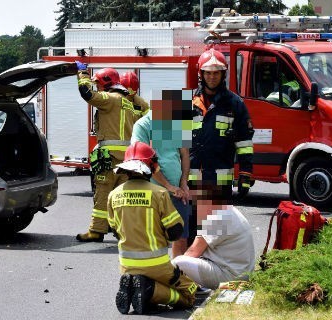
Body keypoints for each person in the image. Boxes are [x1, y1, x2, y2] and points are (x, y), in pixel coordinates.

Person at [109, 141, 197, 314]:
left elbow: (115, 232)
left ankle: (140, 288)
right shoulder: (159, 194)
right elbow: (175, 232)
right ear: (151, 166)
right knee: (190, 293)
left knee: (148, 283)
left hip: (126, 265)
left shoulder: (114, 195)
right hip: (157, 265)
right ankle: (149, 288)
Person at [74, 63, 149, 242]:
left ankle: (96, 231)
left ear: (106, 83)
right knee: (121, 195)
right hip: (127, 159)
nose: (97, 87)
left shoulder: (110, 98)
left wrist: (82, 74)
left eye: (98, 83)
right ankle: (121, 231)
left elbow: (88, 94)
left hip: (109, 156)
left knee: (103, 192)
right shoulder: (129, 103)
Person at [189, 48, 254, 243]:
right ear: (201, 74)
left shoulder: (235, 104)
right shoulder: (186, 102)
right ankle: (190, 270)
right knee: (191, 230)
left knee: (216, 232)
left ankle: (214, 270)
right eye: (207, 72)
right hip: (191, 180)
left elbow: (244, 142)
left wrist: (245, 173)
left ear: (223, 74)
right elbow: (171, 144)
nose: (212, 77)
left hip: (219, 181)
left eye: (216, 72)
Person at [130, 87, 191, 257]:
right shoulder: (143, 125)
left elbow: (185, 154)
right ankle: (157, 274)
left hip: (177, 192)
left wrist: (183, 183)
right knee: (155, 236)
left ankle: (179, 275)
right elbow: (144, 159)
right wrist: (168, 186)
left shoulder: (176, 122)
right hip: (153, 191)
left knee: (181, 236)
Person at [171, 186, 256, 290]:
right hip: (243, 275)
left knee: (179, 262)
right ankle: (196, 287)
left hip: (232, 278)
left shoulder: (217, 218)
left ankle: (177, 287)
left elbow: (192, 253)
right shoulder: (229, 210)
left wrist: (169, 271)